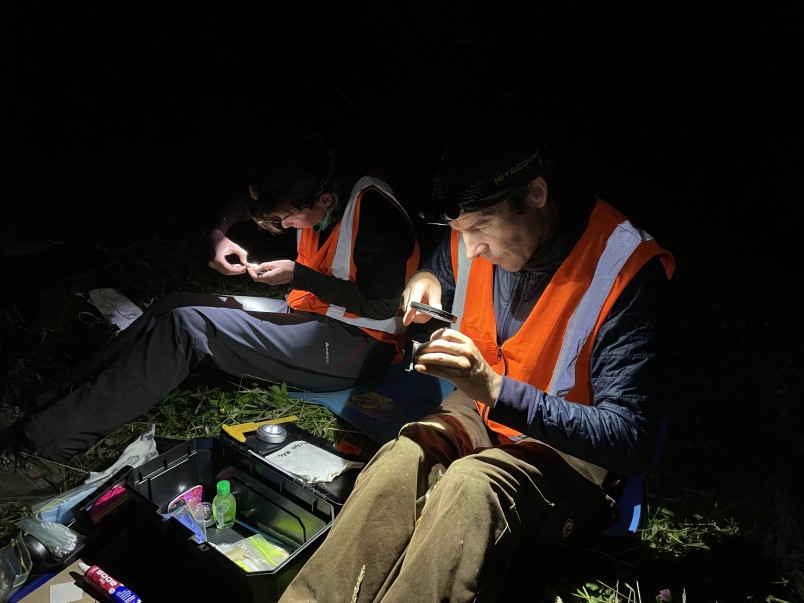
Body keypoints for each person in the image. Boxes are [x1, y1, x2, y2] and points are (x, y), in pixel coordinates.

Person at [278, 96, 675, 602]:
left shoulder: (624, 270)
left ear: (535, 194)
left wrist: (493, 387)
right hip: (480, 409)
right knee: (401, 461)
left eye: (482, 228)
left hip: (569, 451)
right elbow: (441, 272)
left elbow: (631, 440)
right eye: (459, 232)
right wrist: (424, 282)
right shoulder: (475, 232)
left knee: (471, 487)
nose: (471, 250)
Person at [0, 135, 420, 501]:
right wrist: (220, 233)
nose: (281, 226)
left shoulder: (376, 214)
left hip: (356, 345)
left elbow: (383, 306)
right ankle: (47, 409)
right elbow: (249, 202)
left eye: (285, 219)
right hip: (312, 315)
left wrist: (300, 274)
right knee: (175, 304)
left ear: (323, 201)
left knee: (187, 328)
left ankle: (41, 457)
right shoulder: (311, 185)